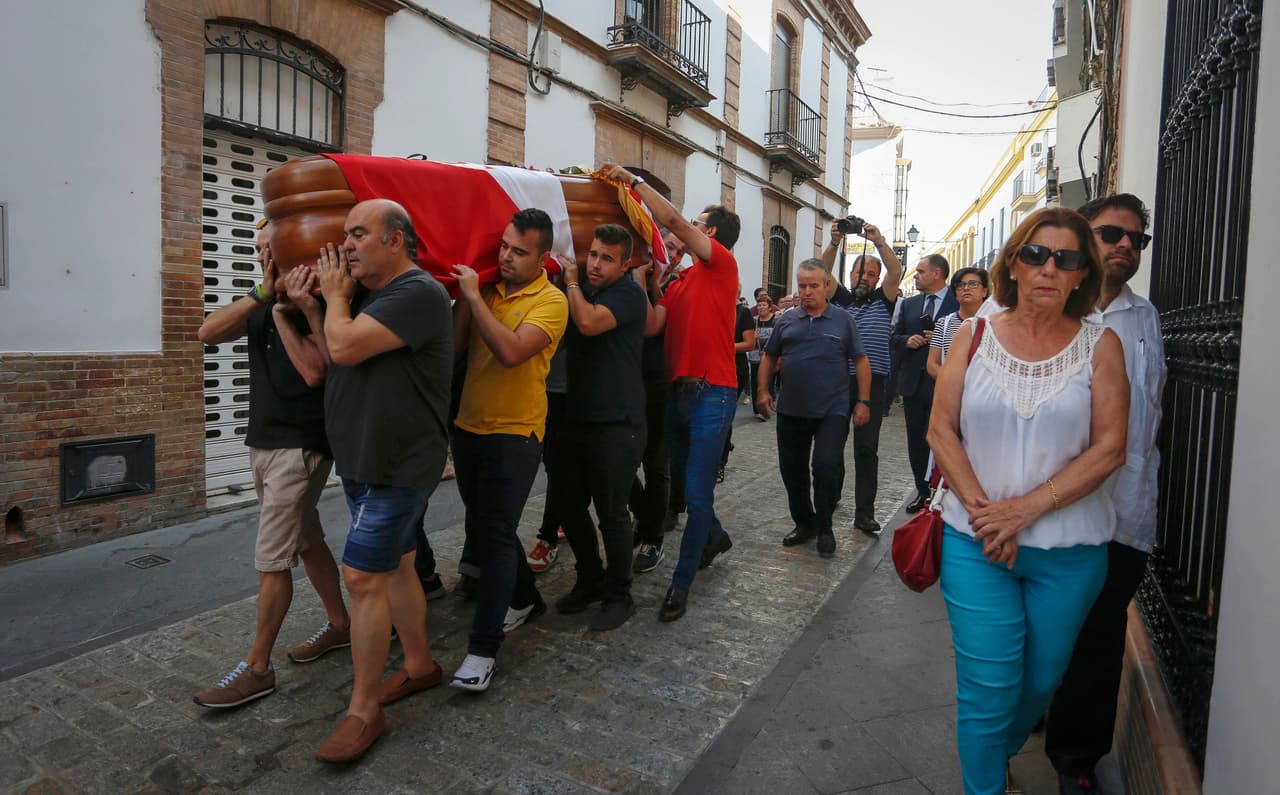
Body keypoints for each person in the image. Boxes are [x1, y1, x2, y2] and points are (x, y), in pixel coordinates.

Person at [928, 206, 1129, 794]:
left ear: (1080, 274)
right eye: (1035, 254)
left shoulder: (1102, 344)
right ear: (1012, 263)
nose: (1048, 268)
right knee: (987, 689)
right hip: (974, 545)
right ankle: (987, 780)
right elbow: (941, 430)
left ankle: (996, 751)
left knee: (1039, 683)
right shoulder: (974, 334)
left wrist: (1025, 510)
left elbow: (1111, 447)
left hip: (1068, 553)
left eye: (1065, 259)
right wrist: (988, 516)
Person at [312, 199, 453, 763]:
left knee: (361, 576)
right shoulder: (374, 297)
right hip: (365, 460)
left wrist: (335, 298)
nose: (346, 245)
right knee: (394, 565)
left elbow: (343, 344)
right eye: (345, 234)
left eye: (359, 234)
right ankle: (419, 664)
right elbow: (338, 352)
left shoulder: (416, 292)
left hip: (398, 466)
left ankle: (364, 710)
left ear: (396, 240)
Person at [193, 223, 351, 710]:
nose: (263, 252)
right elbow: (206, 333)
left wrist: (287, 307)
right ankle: (341, 625)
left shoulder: (312, 301)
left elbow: (315, 371)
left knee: (272, 557)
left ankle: (257, 668)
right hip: (263, 440)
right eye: (259, 247)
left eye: (271, 245)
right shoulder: (263, 298)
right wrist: (264, 294)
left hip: (299, 445)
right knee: (306, 539)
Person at [1045, 194, 1166, 795]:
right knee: (1045, 632)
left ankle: (1077, 759)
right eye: (1112, 233)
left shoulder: (1145, 319)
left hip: (1124, 512)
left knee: (1099, 639)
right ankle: (1031, 715)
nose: (1124, 246)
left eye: (1136, 240)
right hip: (1055, 508)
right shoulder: (1048, 311)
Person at [603, 163, 740, 623]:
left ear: (713, 232)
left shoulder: (720, 263)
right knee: (687, 488)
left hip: (713, 392)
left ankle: (681, 583)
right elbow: (652, 324)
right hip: (679, 394)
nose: (689, 230)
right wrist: (647, 281)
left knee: (696, 495)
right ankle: (715, 537)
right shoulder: (681, 282)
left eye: (699, 225)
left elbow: (675, 223)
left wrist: (634, 183)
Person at [449, 208, 567, 690]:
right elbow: (457, 345)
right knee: (482, 522)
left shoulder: (552, 301)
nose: (506, 257)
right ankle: (525, 598)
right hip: (468, 425)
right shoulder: (488, 289)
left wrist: (474, 298)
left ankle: (482, 651)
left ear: (543, 258)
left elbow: (513, 351)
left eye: (519, 251)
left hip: (516, 433)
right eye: (503, 246)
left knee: (496, 533)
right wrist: (466, 298)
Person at [551, 224, 648, 630]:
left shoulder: (627, 294)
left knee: (612, 513)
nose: (594, 264)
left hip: (616, 423)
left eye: (606, 258)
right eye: (592, 254)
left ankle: (618, 593)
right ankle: (590, 578)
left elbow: (588, 324)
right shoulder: (584, 292)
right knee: (568, 506)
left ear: (625, 264)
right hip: (575, 416)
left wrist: (570, 281)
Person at [755, 259, 871, 557]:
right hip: (792, 409)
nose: (806, 292)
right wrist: (763, 391)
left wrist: (863, 401)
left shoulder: (843, 320)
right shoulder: (786, 320)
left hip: (832, 410)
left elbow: (861, 361)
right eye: (802, 286)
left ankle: (825, 526)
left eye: (813, 286)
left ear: (826, 286)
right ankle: (804, 523)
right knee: (792, 471)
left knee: (825, 465)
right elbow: (769, 357)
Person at [824, 221, 902, 534]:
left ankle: (864, 513)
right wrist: (835, 242)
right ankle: (830, 499)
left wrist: (879, 241)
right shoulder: (840, 298)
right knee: (833, 444)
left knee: (866, 450)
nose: (865, 278)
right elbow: (821, 269)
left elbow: (895, 271)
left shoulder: (885, 299)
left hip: (875, 385)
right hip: (840, 382)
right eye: (861, 272)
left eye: (871, 274)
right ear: (851, 274)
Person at [631, 229, 687, 574]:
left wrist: (646, 282)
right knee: (619, 466)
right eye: (669, 246)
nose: (674, 254)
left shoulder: (676, 288)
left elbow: (649, 326)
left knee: (656, 464)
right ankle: (646, 513)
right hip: (626, 384)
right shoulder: (630, 273)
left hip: (661, 387)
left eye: (680, 252)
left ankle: (653, 535)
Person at [892, 254, 959, 513]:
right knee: (916, 441)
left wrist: (940, 338)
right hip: (913, 383)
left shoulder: (957, 302)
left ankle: (943, 490)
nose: (916, 275)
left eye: (921, 271)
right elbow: (894, 336)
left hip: (944, 383)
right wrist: (906, 340)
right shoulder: (909, 305)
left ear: (937, 274)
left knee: (943, 439)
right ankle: (922, 491)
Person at [525, 345, 569, 574]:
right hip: (547, 387)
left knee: (600, 471)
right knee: (556, 467)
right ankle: (550, 534)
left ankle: (646, 518)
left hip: (587, 391)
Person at [718, 292, 756, 481]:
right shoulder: (714, 307)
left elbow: (750, 344)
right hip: (713, 366)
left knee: (725, 414)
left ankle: (720, 462)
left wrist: (722, 347)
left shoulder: (743, 313)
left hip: (735, 368)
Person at [926, 267, 990, 378]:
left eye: (973, 284)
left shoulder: (995, 323)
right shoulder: (943, 323)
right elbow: (932, 365)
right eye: (960, 285)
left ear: (984, 291)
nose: (966, 288)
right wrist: (953, 383)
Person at [749, 293, 780, 417]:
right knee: (754, 383)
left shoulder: (776, 320)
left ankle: (767, 406)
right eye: (759, 305)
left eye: (763, 305)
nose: (760, 307)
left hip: (769, 358)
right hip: (755, 356)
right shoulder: (754, 321)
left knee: (768, 382)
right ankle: (757, 411)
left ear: (769, 307)